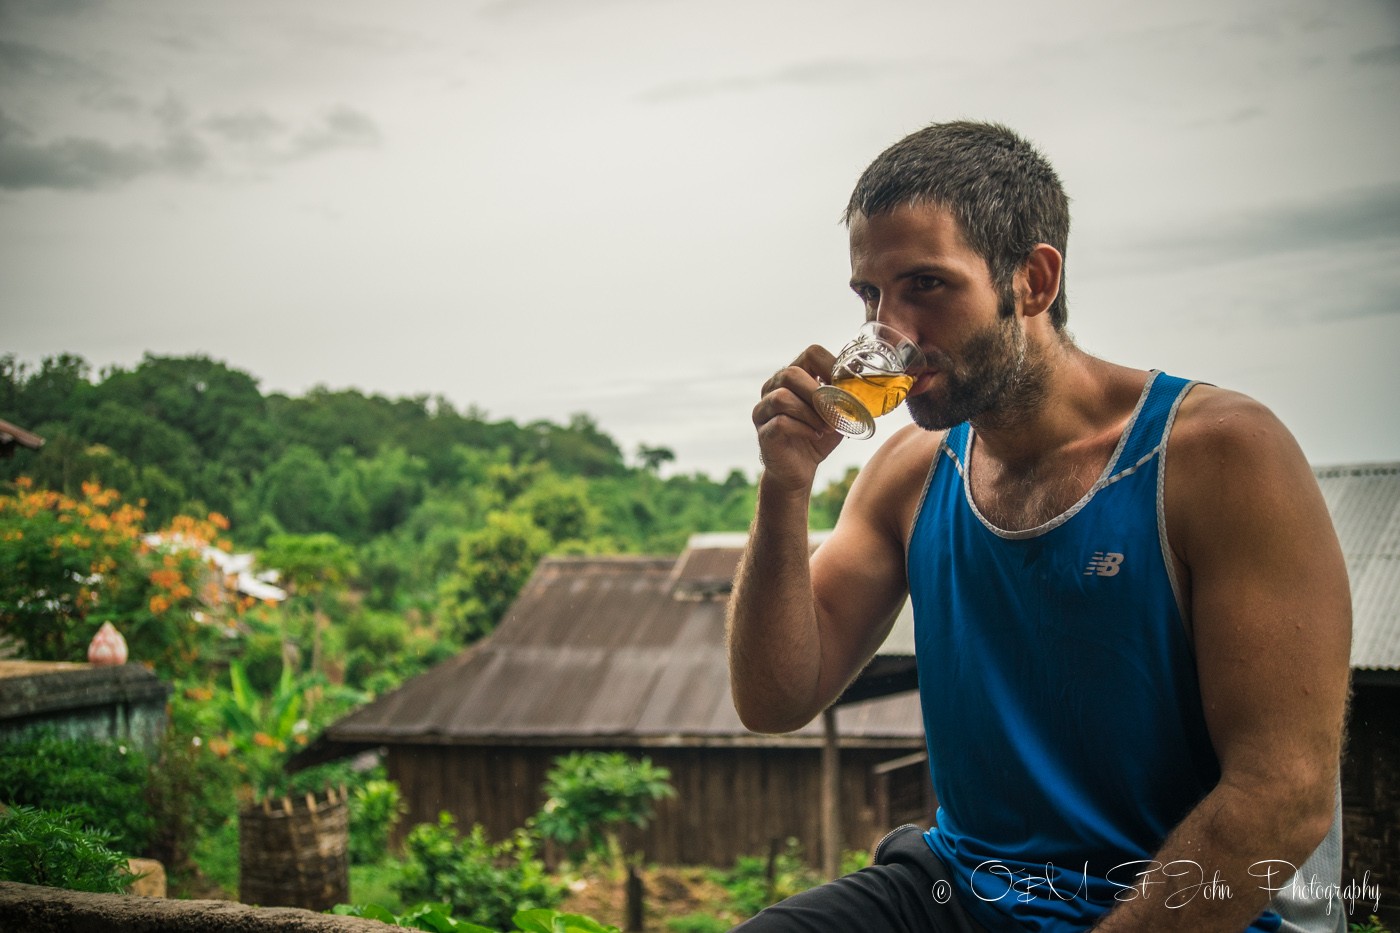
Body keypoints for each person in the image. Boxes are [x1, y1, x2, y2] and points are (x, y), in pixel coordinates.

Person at [725, 121, 1352, 932]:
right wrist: (784, 488)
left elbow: (1284, 792)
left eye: (927, 285)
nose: (893, 331)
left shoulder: (1219, 456)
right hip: (966, 886)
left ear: (1032, 279)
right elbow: (775, 699)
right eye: (871, 296)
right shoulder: (911, 476)